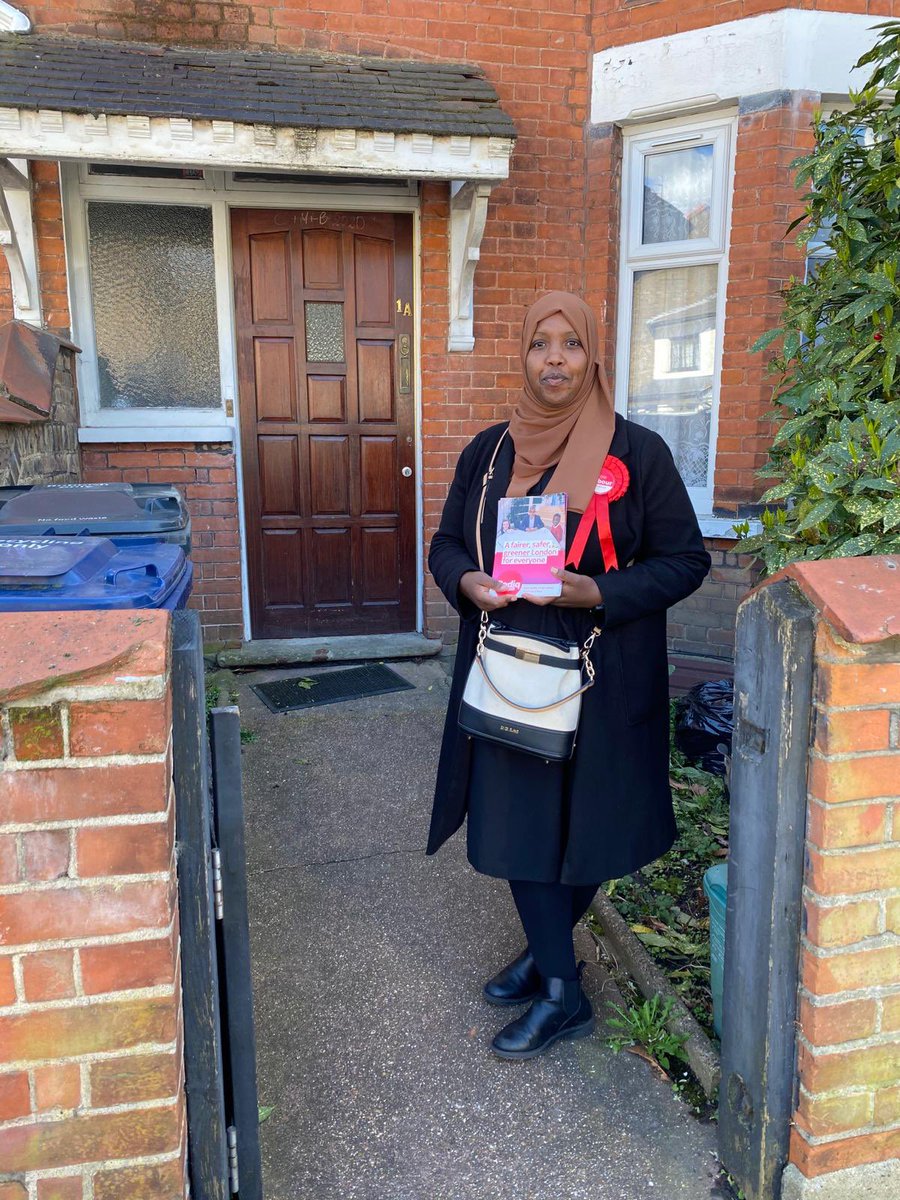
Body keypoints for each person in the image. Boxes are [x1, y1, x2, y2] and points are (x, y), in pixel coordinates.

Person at [427, 291, 710, 1061]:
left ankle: (553, 974)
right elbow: (446, 543)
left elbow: (687, 561)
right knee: (521, 830)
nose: (555, 359)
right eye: (539, 344)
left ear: (593, 356)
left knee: (584, 829)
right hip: (512, 671)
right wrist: (467, 582)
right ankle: (558, 976)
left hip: (602, 676)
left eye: (571, 345)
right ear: (521, 357)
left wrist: (598, 592)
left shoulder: (638, 453)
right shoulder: (487, 453)